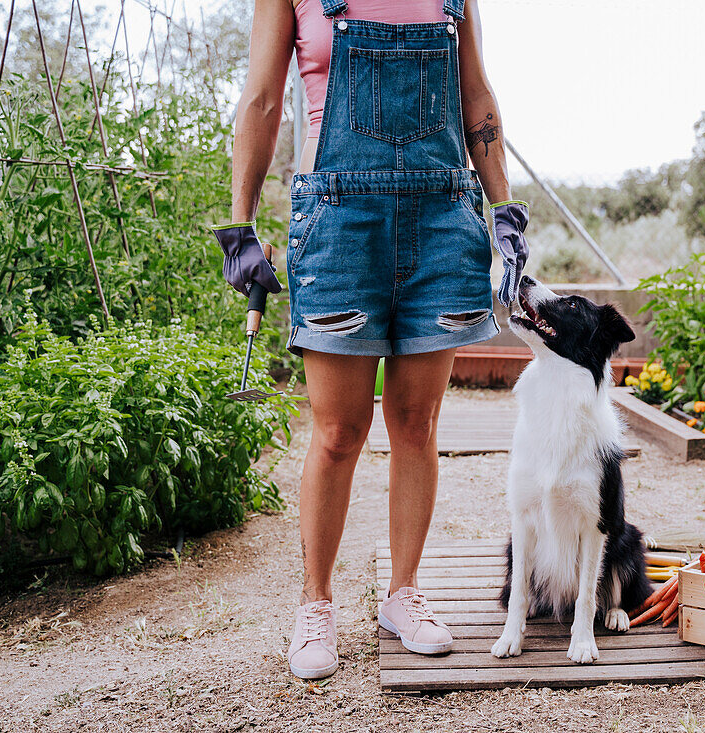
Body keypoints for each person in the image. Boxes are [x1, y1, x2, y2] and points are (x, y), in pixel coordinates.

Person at [212, 0, 530, 679]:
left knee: (417, 420)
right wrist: (239, 222)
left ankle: (403, 594)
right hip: (337, 223)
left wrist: (504, 207)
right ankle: (316, 602)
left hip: (444, 218)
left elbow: (476, 94)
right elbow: (265, 99)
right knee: (338, 431)